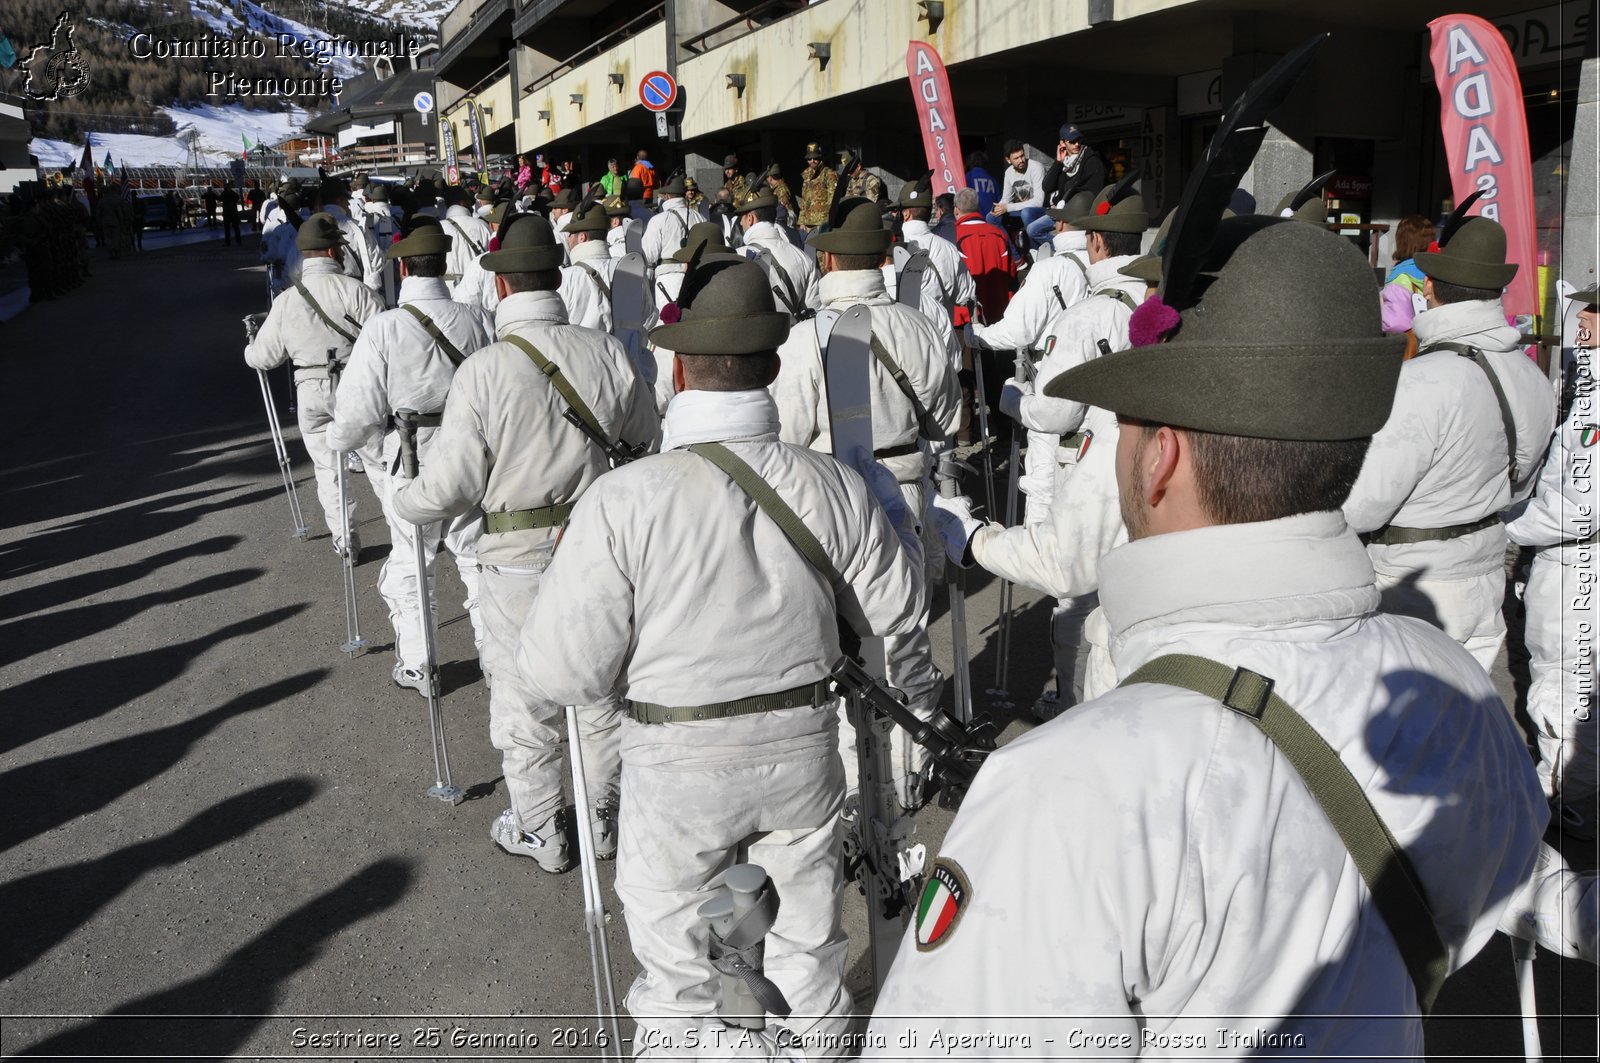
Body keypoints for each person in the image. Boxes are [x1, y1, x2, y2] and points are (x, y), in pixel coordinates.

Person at [876, 217, 1547, 1057]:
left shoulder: (1059, 787)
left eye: (1123, 420)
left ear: (1160, 457)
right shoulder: (1458, 687)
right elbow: (1497, 881)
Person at [519, 257, 924, 1052]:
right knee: (807, 957)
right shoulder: (833, 484)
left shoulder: (624, 499)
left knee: (681, 977)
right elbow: (899, 609)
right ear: (773, 367)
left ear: (677, 366)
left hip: (676, 762)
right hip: (801, 751)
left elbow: (561, 673)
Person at [391, 213, 659, 871]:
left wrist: (406, 499)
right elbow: (646, 434)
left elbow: (453, 483)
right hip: (598, 542)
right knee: (599, 689)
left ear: (503, 282)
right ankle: (604, 819)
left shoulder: (484, 370)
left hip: (515, 559)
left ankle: (542, 829)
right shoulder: (605, 352)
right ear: (553, 277)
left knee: (526, 696)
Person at [774, 198, 962, 808]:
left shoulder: (804, 339)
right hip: (908, 487)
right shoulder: (919, 327)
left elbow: (786, 436)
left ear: (826, 258)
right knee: (905, 630)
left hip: (832, 503)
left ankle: (863, 784)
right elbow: (950, 420)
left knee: (842, 646)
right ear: (884, 256)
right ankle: (913, 768)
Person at [1342, 214, 1555, 671]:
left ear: (1431, 289)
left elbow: (1361, 507)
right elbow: (1519, 485)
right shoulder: (1534, 377)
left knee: (1403, 737)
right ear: (1496, 291)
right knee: (1461, 732)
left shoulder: (1421, 381)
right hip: (1483, 578)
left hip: (1413, 586)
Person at [986, 183, 1149, 718]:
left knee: (1076, 598)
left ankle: (1074, 706)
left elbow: (1057, 414)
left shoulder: (1085, 316)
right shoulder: (1156, 300)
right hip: (1147, 465)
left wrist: (1015, 402)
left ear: (1097, 241)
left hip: (1086, 469)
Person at [326, 218, 495, 694]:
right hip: (473, 459)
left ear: (402, 265)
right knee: (474, 557)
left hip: (412, 461)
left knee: (412, 560)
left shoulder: (384, 328)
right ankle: (494, 655)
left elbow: (358, 411)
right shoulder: (476, 317)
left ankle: (420, 663)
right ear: (444, 265)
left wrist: (344, 443)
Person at [1504, 286, 1600, 834]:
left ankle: (1565, 801)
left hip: (1574, 564)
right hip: (1572, 559)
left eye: (1590, 318)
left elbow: (1578, 508)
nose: (1580, 325)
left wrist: (1503, 524)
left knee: (1564, 684)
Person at [244, 214, 387, 552]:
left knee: (327, 468)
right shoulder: (358, 292)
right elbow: (386, 342)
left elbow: (264, 358)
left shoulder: (285, 303)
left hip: (309, 390)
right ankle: (405, 530)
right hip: (356, 385)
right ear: (335, 251)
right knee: (378, 462)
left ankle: (344, 537)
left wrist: (249, 346)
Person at [952, 186, 1017, 441]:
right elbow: (1011, 275)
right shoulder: (999, 235)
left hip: (964, 317)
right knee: (997, 377)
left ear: (957, 210)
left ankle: (965, 434)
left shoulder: (953, 236)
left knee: (964, 378)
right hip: (997, 316)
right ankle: (1005, 429)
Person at [733, 188, 819, 320]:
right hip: (796, 337)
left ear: (750, 218)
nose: (740, 223)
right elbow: (813, 311)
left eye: (742, 218)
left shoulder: (738, 258)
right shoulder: (802, 257)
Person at [1031, 124, 1106, 248]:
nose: (1076, 144)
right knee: (1032, 228)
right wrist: (1058, 163)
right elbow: (1047, 187)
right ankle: (1061, 249)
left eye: (1078, 140)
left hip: (1079, 212)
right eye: (1072, 141)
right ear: (1063, 143)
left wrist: (1063, 202)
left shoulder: (1091, 161)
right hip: (1061, 211)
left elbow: (1091, 192)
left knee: (1034, 228)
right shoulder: (1064, 163)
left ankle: (1063, 248)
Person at [318, 177, 385, 297]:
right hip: (353, 292)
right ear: (338, 200)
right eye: (346, 199)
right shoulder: (356, 227)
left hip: (318, 294)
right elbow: (376, 261)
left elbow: (292, 272)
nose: (348, 203)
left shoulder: (306, 228)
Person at [558, 203, 617, 332]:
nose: (568, 239)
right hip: (624, 351)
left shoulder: (565, 278)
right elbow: (649, 316)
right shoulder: (627, 268)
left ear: (582, 237)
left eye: (570, 234)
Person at [1381, 214, 1436, 335]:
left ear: (1402, 241)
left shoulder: (1401, 277)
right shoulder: (1439, 272)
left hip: (1413, 347)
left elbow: (1394, 324)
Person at [640, 173, 705, 270]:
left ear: (667, 196)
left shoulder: (657, 220)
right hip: (696, 274)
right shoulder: (700, 217)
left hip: (668, 278)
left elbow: (648, 256)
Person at [989, 139, 1046, 248]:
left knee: (1026, 213)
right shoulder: (1009, 172)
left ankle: (1034, 251)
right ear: (1008, 160)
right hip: (1018, 210)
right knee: (991, 216)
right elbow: (1006, 198)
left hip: (1038, 210)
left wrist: (1008, 207)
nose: (1021, 160)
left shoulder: (1036, 167)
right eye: (1016, 158)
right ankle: (1015, 257)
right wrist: (999, 207)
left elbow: (1039, 202)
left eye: (1022, 156)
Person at [440, 188, 492, 298]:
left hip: (445, 291)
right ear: (463, 202)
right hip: (477, 290)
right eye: (469, 202)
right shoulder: (482, 226)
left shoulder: (438, 227)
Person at [797, 142, 836, 232]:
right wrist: (802, 221)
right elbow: (804, 201)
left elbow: (833, 199)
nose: (812, 161)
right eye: (809, 159)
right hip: (807, 224)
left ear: (820, 158)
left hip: (822, 223)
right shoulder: (806, 176)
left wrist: (829, 222)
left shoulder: (828, 174)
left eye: (815, 158)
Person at [964, 150, 999, 218]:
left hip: (974, 219)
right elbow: (1000, 201)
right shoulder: (993, 180)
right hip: (992, 219)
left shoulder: (967, 178)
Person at [220, 181, 242, 246]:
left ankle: (230, 241)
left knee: (230, 228)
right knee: (233, 228)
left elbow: (220, 199)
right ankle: (236, 241)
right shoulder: (232, 194)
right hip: (231, 213)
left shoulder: (226, 193)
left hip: (229, 213)